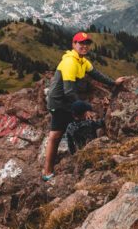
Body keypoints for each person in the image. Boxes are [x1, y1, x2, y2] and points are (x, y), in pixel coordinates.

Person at [42, 32, 126, 180]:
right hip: (60, 103)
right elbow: (69, 92)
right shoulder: (70, 62)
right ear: (73, 44)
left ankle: (70, 162)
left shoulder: (82, 61)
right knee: (57, 135)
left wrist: (113, 83)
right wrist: (85, 108)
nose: (84, 46)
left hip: (67, 103)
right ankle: (48, 172)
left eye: (86, 43)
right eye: (80, 43)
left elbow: (96, 74)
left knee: (68, 132)